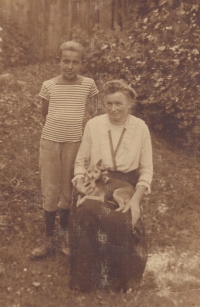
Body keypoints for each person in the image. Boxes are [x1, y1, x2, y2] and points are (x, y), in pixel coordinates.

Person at [68, 80, 153, 292]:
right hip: (96, 184)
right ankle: (85, 278)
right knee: (87, 211)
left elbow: (146, 171)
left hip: (125, 187)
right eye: (108, 103)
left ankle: (121, 277)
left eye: (119, 103)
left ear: (129, 103)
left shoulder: (140, 127)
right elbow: (80, 162)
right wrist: (79, 184)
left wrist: (135, 201)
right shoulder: (93, 125)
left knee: (121, 218)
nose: (113, 108)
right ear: (103, 104)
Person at [30, 41, 99, 259]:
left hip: (74, 144)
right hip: (50, 143)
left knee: (68, 192)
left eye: (75, 62)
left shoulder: (88, 84)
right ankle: (49, 240)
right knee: (50, 190)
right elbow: (44, 114)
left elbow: (95, 112)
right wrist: (54, 134)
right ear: (58, 62)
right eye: (65, 62)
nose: (70, 66)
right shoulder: (48, 85)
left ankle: (64, 237)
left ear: (82, 64)